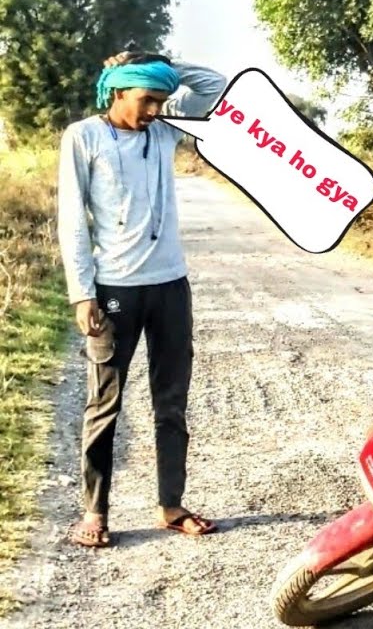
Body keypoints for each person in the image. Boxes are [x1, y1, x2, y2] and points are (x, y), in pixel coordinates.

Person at [57, 47, 228, 548]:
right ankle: (95, 511)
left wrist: (166, 61)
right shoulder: (83, 137)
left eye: (161, 99)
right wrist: (82, 293)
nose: (155, 109)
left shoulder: (166, 130)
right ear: (116, 91)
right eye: (147, 99)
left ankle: (171, 506)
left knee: (171, 403)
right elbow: (73, 220)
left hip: (171, 285)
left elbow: (216, 86)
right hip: (114, 289)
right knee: (104, 403)